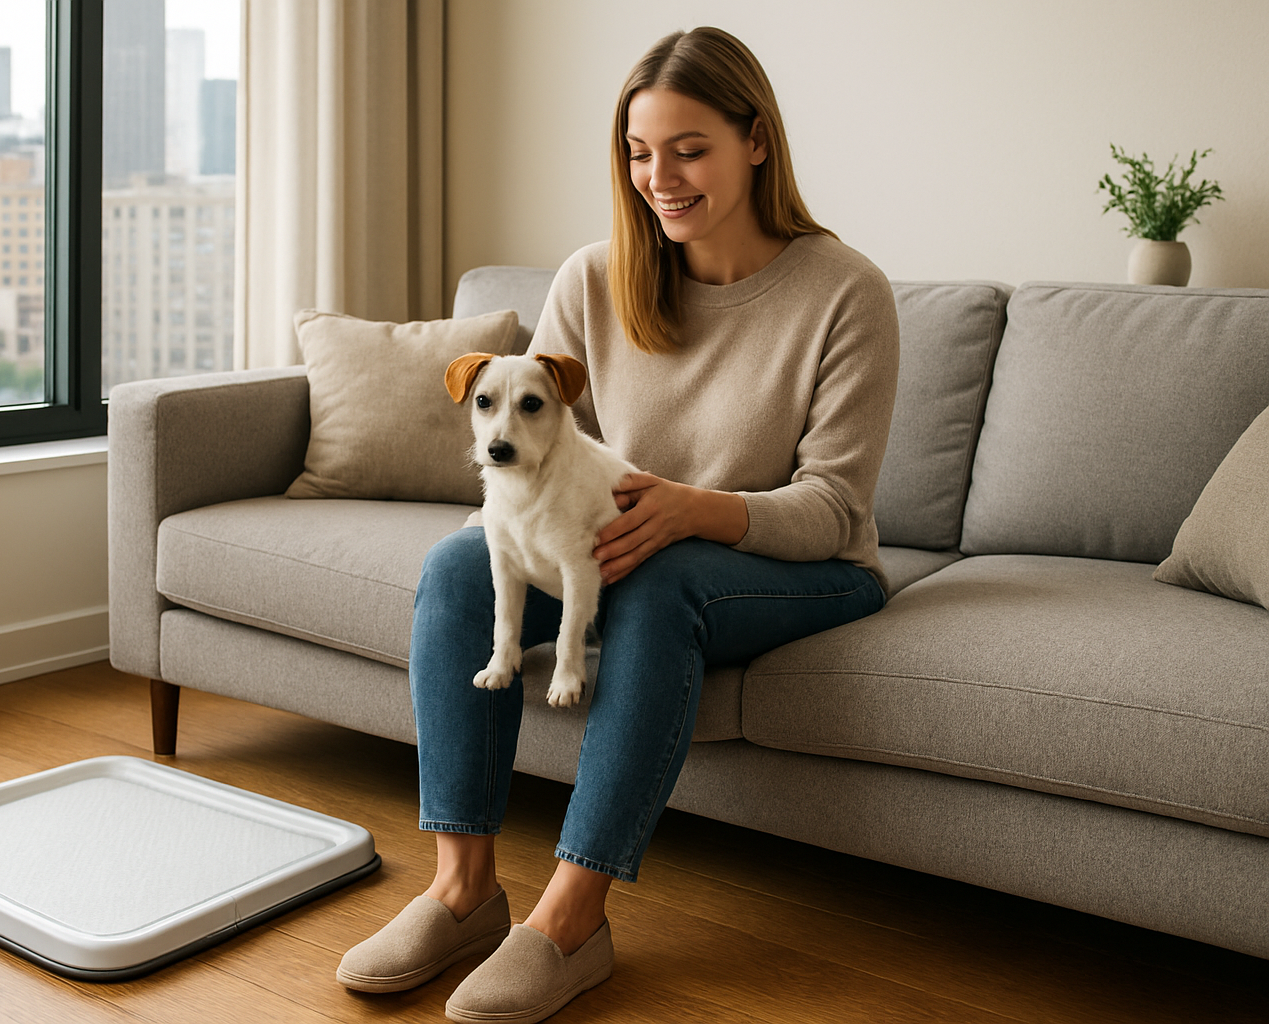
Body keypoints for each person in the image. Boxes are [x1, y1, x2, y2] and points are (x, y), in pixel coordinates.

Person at [337, 25, 899, 1024]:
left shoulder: (844, 291)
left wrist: (692, 509)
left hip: (797, 561)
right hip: (632, 541)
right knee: (466, 563)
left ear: (756, 140)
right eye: (640, 153)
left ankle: (569, 920)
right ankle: (462, 891)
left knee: (664, 582)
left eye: (690, 149)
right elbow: (544, 463)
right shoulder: (596, 278)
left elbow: (834, 509)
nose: (660, 177)